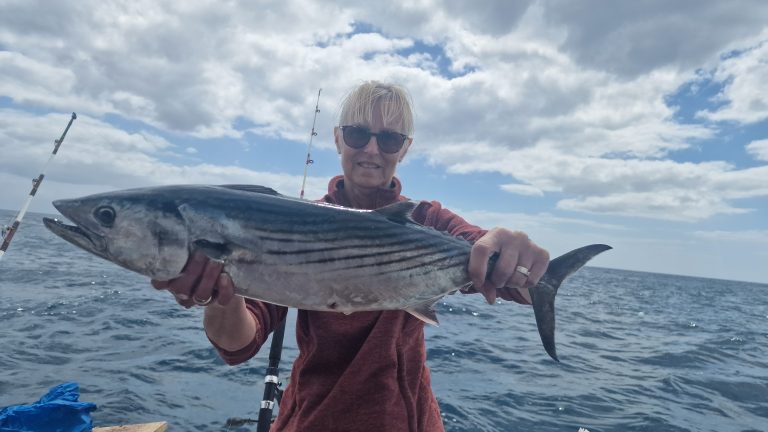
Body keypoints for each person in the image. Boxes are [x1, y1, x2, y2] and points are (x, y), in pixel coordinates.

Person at [151, 81, 549, 431]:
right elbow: (238, 345)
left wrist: (514, 257)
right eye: (358, 134)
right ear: (338, 139)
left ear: (404, 149)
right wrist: (220, 295)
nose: (372, 149)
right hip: (311, 418)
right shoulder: (291, 223)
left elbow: (508, 275)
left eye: (389, 139)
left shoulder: (427, 220)